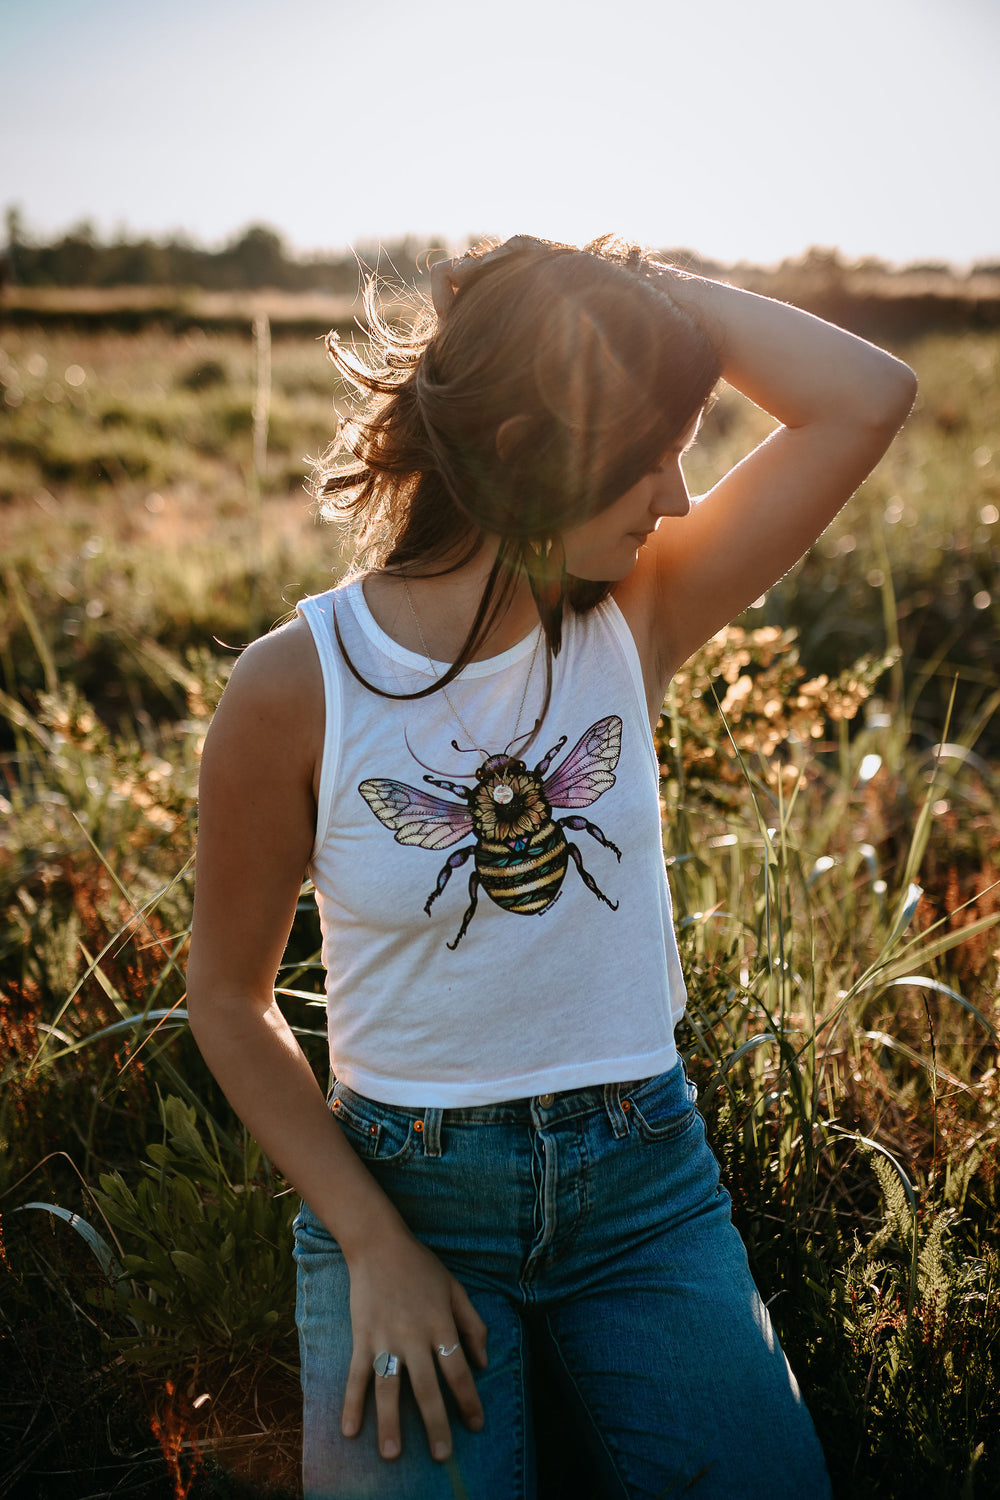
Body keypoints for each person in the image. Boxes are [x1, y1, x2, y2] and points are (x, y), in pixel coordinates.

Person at [186, 234, 916, 1499]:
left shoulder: (638, 613)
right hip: (403, 1194)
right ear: (537, 442)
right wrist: (374, 1247)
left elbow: (867, 397)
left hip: (647, 1186)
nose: (680, 497)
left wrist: (640, 296)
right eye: (647, 453)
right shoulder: (297, 686)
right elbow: (228, 999)